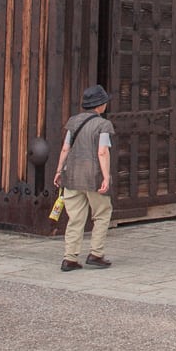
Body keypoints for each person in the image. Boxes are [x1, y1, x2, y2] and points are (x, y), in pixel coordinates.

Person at [53, 84, 116, 271]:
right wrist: (106, 177)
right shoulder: (104, 124)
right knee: (102, 214)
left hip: (71, 175)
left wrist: (58, 171)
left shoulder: (73, 122)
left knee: (75, 218)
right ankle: (96, 254)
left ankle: (69, 258)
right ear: (101, 105)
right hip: (93, 177)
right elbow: (102, 152)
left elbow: (66, 148)